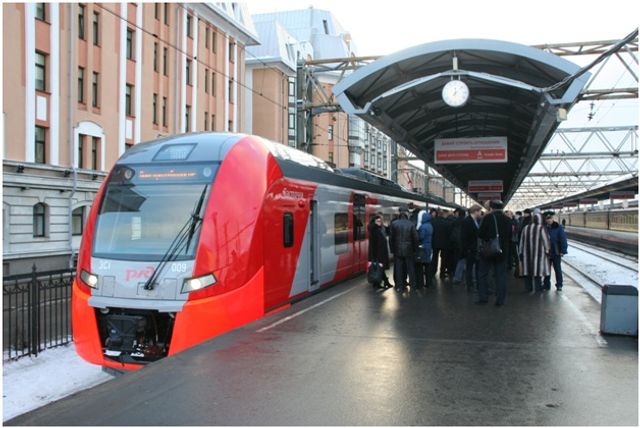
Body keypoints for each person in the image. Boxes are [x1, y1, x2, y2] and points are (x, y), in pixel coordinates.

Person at [476, 200, 512, 306]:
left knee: (483, 273)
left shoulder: (487, 218)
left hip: (488, 251)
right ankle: (500, 300)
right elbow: (510, 236)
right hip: (502, 251)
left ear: (491, 208)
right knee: (501, 275)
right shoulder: (508, 219)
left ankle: (483, 297)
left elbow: (480, 234)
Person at [389, 207, 419, 292]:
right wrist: (415, 249)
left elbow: (391, 238)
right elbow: (415, 238)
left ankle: (399, 286)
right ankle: (413, 285)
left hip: (397, 250)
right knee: (410, 268)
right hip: (409, 250)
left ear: (400, 214)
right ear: (406, 214)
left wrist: (392, 249)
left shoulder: (394, 223)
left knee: (398, 268)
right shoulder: (411, 224)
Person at [519, 213, 551, 292]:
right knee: (537, 273)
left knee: (527, 272)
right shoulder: (541, 228)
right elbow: (546, 242)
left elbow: (521, 241)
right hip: (539, 255)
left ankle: (528, 288)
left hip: (527, 254)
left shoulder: (525, 228)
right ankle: (537, 288)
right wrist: (547, 251)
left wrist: (520, 252)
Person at [544, 211, 568, 291]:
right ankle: (546, 284)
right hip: (547, 252)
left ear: (552, 218)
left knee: (557, 268)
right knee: (547, 269)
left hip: (556, 251)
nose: (548, 220)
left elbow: (563, 239)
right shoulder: (544, 228)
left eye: (550, 218)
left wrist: (563, 250)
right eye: (547, 219)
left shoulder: (558, 227)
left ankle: (559, 284)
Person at [460, 204, 482, 291]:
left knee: (474, 267)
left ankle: (475, 284)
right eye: (479, 211)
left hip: (474, 248)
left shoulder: (475, 220)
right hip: (470, 249)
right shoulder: (467, 221)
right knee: (469, 267)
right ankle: (470, 285)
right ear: (475, 211)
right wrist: (467, 249)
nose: (480, 213)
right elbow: (464, 237)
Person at [368, 215, 392, 289]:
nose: (379, 222)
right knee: (379, 268)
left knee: (379, 268)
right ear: (374, 222)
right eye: (378, 221)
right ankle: (384, 282)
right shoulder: (374, 230)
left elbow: (387, 234)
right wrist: (375, 255)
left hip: (380, 252)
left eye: (380, 221)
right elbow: (374, 244)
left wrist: (387, 227)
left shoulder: (379, 229)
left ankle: (379, 283)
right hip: (377, 253)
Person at [430, 210, 451, 279]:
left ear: (438, 214)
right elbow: (449, 234)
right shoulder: (447, 223)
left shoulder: (433, 222)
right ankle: (442, 273)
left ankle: (433, 271)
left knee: (434, 257)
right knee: (443, 259)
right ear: (443, 215)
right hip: (445, 243)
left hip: (435, 243)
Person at [417, 211, 434, 289]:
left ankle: (420, 283)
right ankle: (429, 283)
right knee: (428, 265)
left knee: (420, 265)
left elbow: (421, 237)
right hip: (429, 246)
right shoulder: (430, 225)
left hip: (423, 247)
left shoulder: (423, 227)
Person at [451, 208, 466, 283]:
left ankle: (456, 274)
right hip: (463, 243)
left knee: (457, 258)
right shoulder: (466, 221)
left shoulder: (455, 221)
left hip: (456, 243)